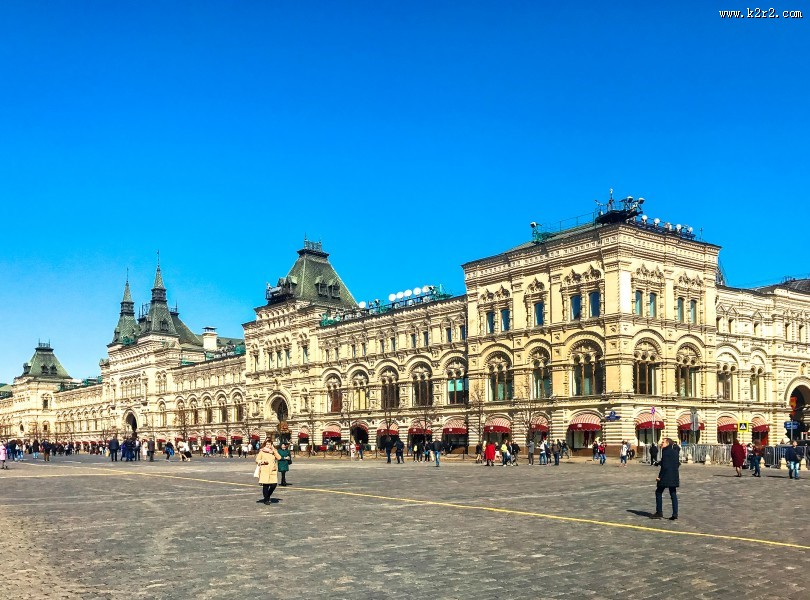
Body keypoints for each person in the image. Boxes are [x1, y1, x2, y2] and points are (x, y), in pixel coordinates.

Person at [651, 437, 680, 520]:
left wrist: (659, 477)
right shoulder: (675, 452)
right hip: (674, 475)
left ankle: (659, 512)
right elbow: (675, 463)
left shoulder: (665, 452)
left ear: (667, 443)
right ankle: (675, 513)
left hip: (666, 476)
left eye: (663, 442)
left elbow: (665, 466)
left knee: (658, 492)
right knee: (673, 494)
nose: (661, 444)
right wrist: (658, 463)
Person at [256, 439, 283, 504]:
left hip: (272, 470)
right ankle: (266, 499)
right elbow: (257, 460)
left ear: (271, 445)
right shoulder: (262, 451)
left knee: (274, 484)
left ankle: (268, 496)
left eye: (269, 444)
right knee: (265, 485)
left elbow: (279, 458)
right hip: (264, 470)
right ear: (265, 444)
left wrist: (274, 451)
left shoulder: (274, 451)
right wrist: (263, 461)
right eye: (267, 444)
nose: (268, 446)